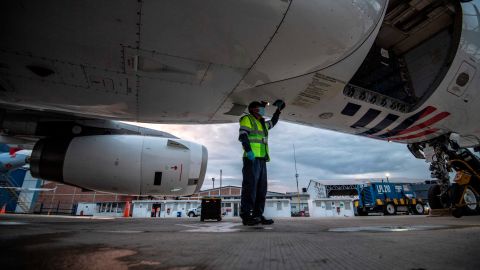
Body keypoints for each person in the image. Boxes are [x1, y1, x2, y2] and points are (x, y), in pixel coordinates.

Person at [238, 100, 285, 225]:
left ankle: (258, 215)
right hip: (251, 158)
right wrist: (248, 151)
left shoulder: (262, 123)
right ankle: (246, 216)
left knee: (261, 189)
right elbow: (243, 136)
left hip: (262, 159)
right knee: (250, 188)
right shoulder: (247, 119)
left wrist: (278, 111)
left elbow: (273, 122)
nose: (263, 110)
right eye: (261, 108)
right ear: (254, 109)